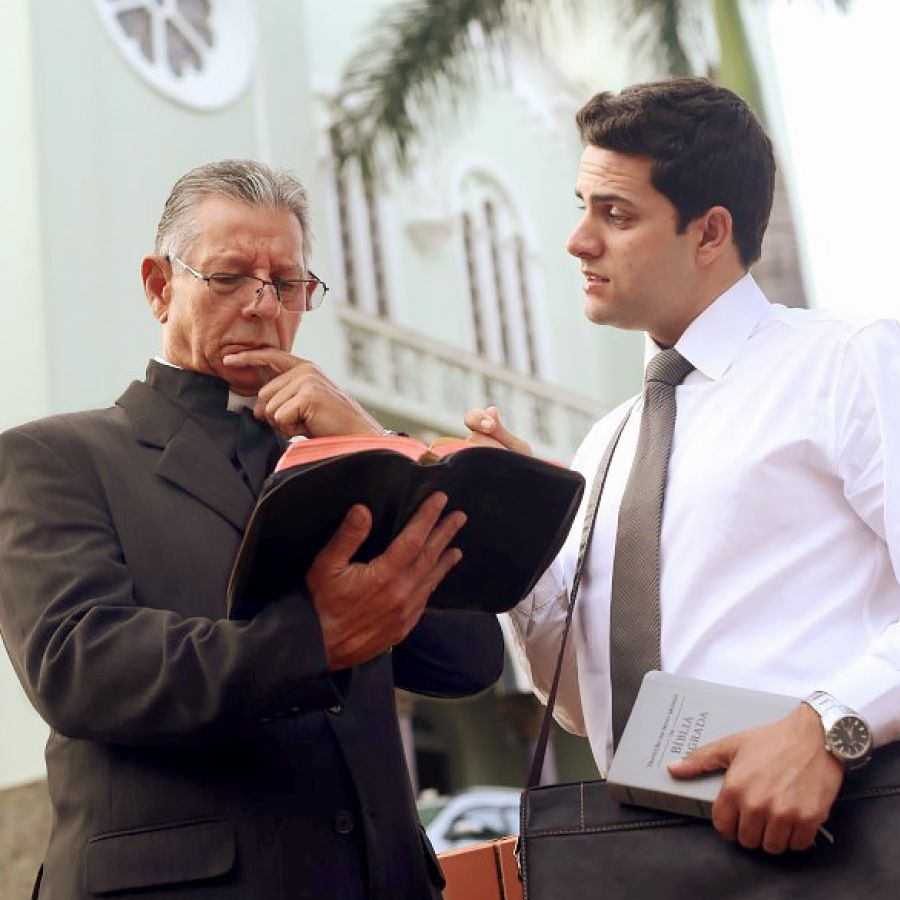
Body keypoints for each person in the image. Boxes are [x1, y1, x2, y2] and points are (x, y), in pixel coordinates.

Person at [0, 159, 504, 899]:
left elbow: (469, 659)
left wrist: (371, 445)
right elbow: (79, 666)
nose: (263, 306)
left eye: (287, 283)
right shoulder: (56, 457)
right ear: (159, 286)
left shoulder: (346, 456)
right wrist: (315, 641)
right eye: (230, 277)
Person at [466, 77, 900, 857]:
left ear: (709, 234)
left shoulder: (850, 363)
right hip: (653, 858)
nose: (578, 241)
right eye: (582, 207)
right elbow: (582, 708)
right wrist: (520, 524)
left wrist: (829, 723)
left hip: (843, 842)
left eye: (616, 215)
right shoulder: (606, 445)